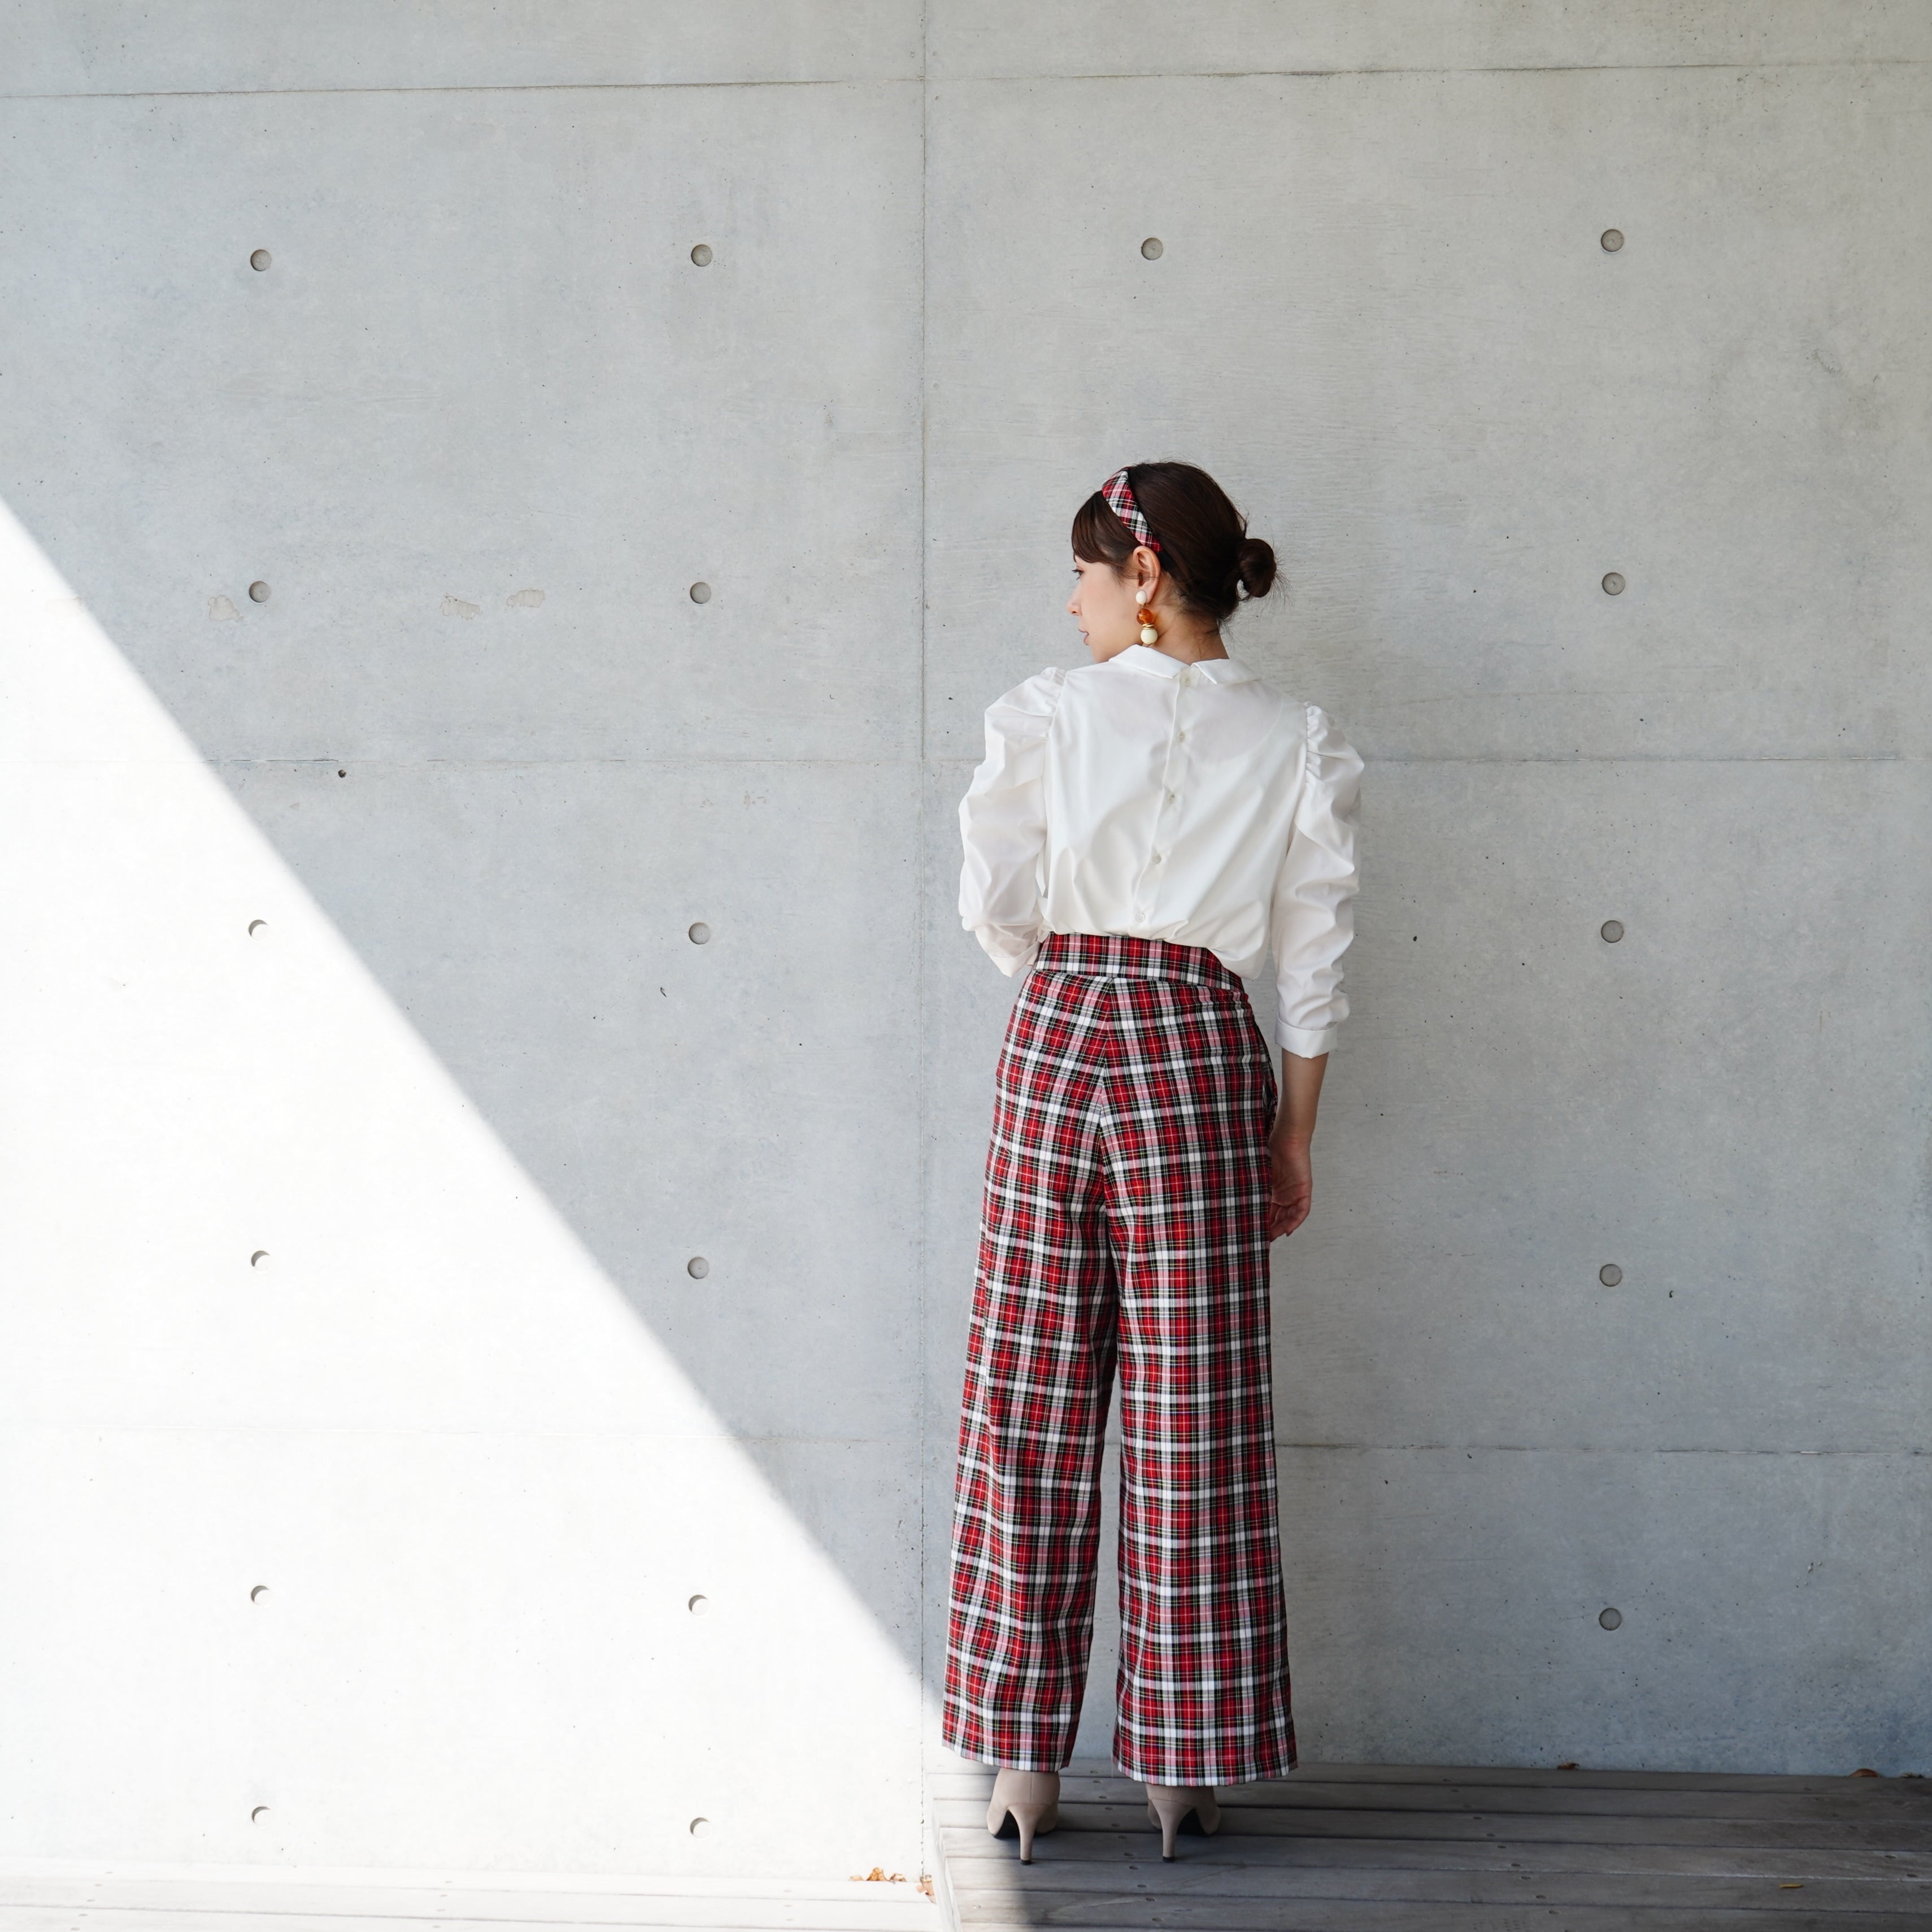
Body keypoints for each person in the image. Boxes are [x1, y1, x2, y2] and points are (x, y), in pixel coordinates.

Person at [942, 462, 1363, 1863]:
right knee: (1198, 1409)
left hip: (1063, 1027)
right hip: (1200, 1043)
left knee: (1029, 1396)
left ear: (1141, 573)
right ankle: (1186, 1767)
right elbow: (1315, 958)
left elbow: (994, 900)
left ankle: (1021, 1760)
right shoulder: (1298, 739)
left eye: (1082, 572)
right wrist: (1293, 1132)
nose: (1069, 603)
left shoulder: (1048, 713)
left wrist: (1075, 982)